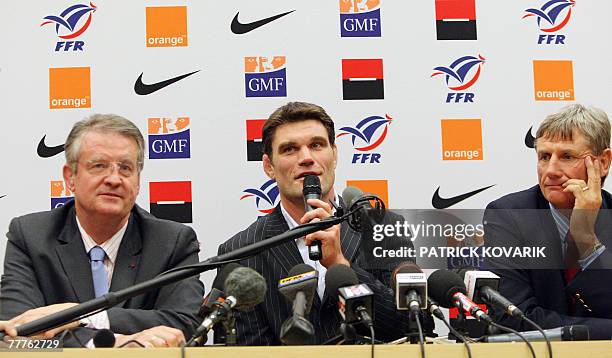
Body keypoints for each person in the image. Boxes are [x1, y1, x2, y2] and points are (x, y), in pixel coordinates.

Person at [218, 102, 420, 345]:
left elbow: (414, 326)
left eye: (316, 145)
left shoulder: (382, 228)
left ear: (334, 155)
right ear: (269, 166)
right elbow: (249, 350)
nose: (306, 158)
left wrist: (340, 263)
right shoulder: (242, 251)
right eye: (290, 149)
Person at [0, 114, 205, 347]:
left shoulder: (172, 242)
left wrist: (82, 316)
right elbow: (17, 332)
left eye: (126, 168)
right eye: (99, 166)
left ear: (138, 181)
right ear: (71, 177)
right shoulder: (31, 236)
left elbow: (184, 324)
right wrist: (118, 342)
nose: (114, 179)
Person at [483, 104, 612, 339]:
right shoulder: (508, 215)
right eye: (544, 156)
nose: (551, 170)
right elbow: (514, 318)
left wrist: (585, 238)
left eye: (567, 156)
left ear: (603, 162)